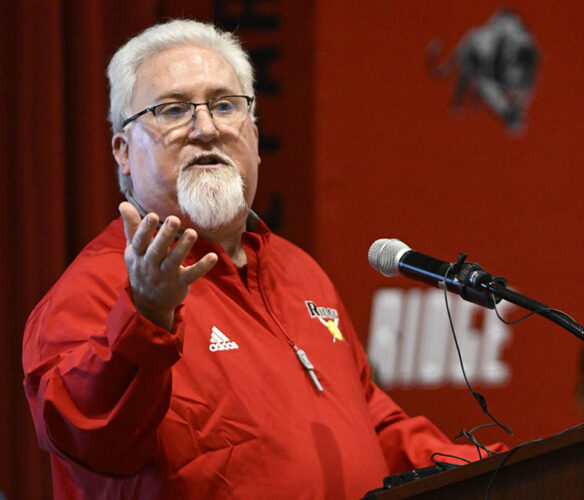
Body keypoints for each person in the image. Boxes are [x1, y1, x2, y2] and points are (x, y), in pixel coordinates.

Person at [23, 19, 505, 500]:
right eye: (172, 110)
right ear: (123, 151)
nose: (206, 128)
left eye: (225, 105)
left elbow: (372, 423)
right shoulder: (91, 290)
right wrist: (146, 314)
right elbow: (92, 439)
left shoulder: (299, 271)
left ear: (253, 136)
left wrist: (504, 473)